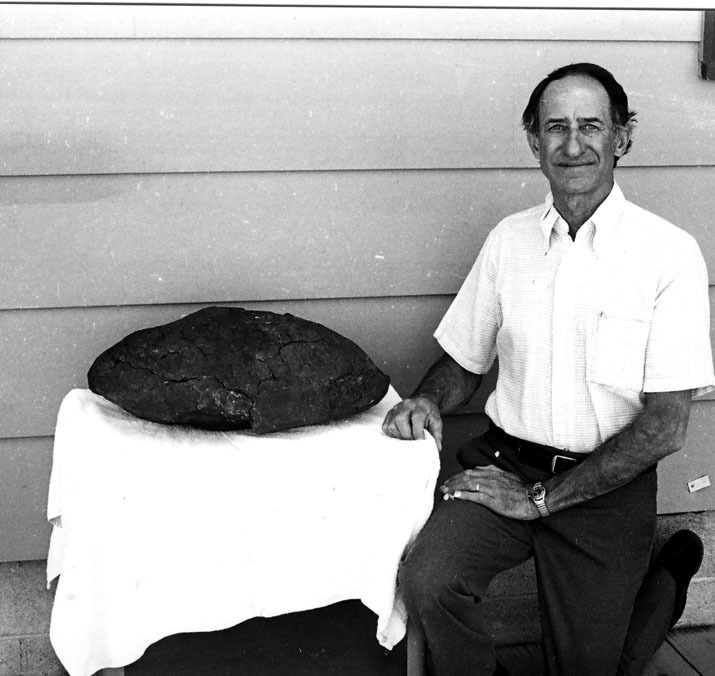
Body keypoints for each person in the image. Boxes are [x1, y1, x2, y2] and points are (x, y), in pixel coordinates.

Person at [382, 62, 714, 676]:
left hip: (606, 488)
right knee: (430, 579)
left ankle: (663, 584)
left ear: (623, 137)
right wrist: (430, 399)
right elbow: (463, 358)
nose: (572, 143)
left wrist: (539, 500)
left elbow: (666, 426)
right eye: (554, 127)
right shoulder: (509, 241)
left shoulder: (667, 254)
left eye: (592, 125)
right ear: (534, 141)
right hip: (503, 465)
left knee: (590, 667)